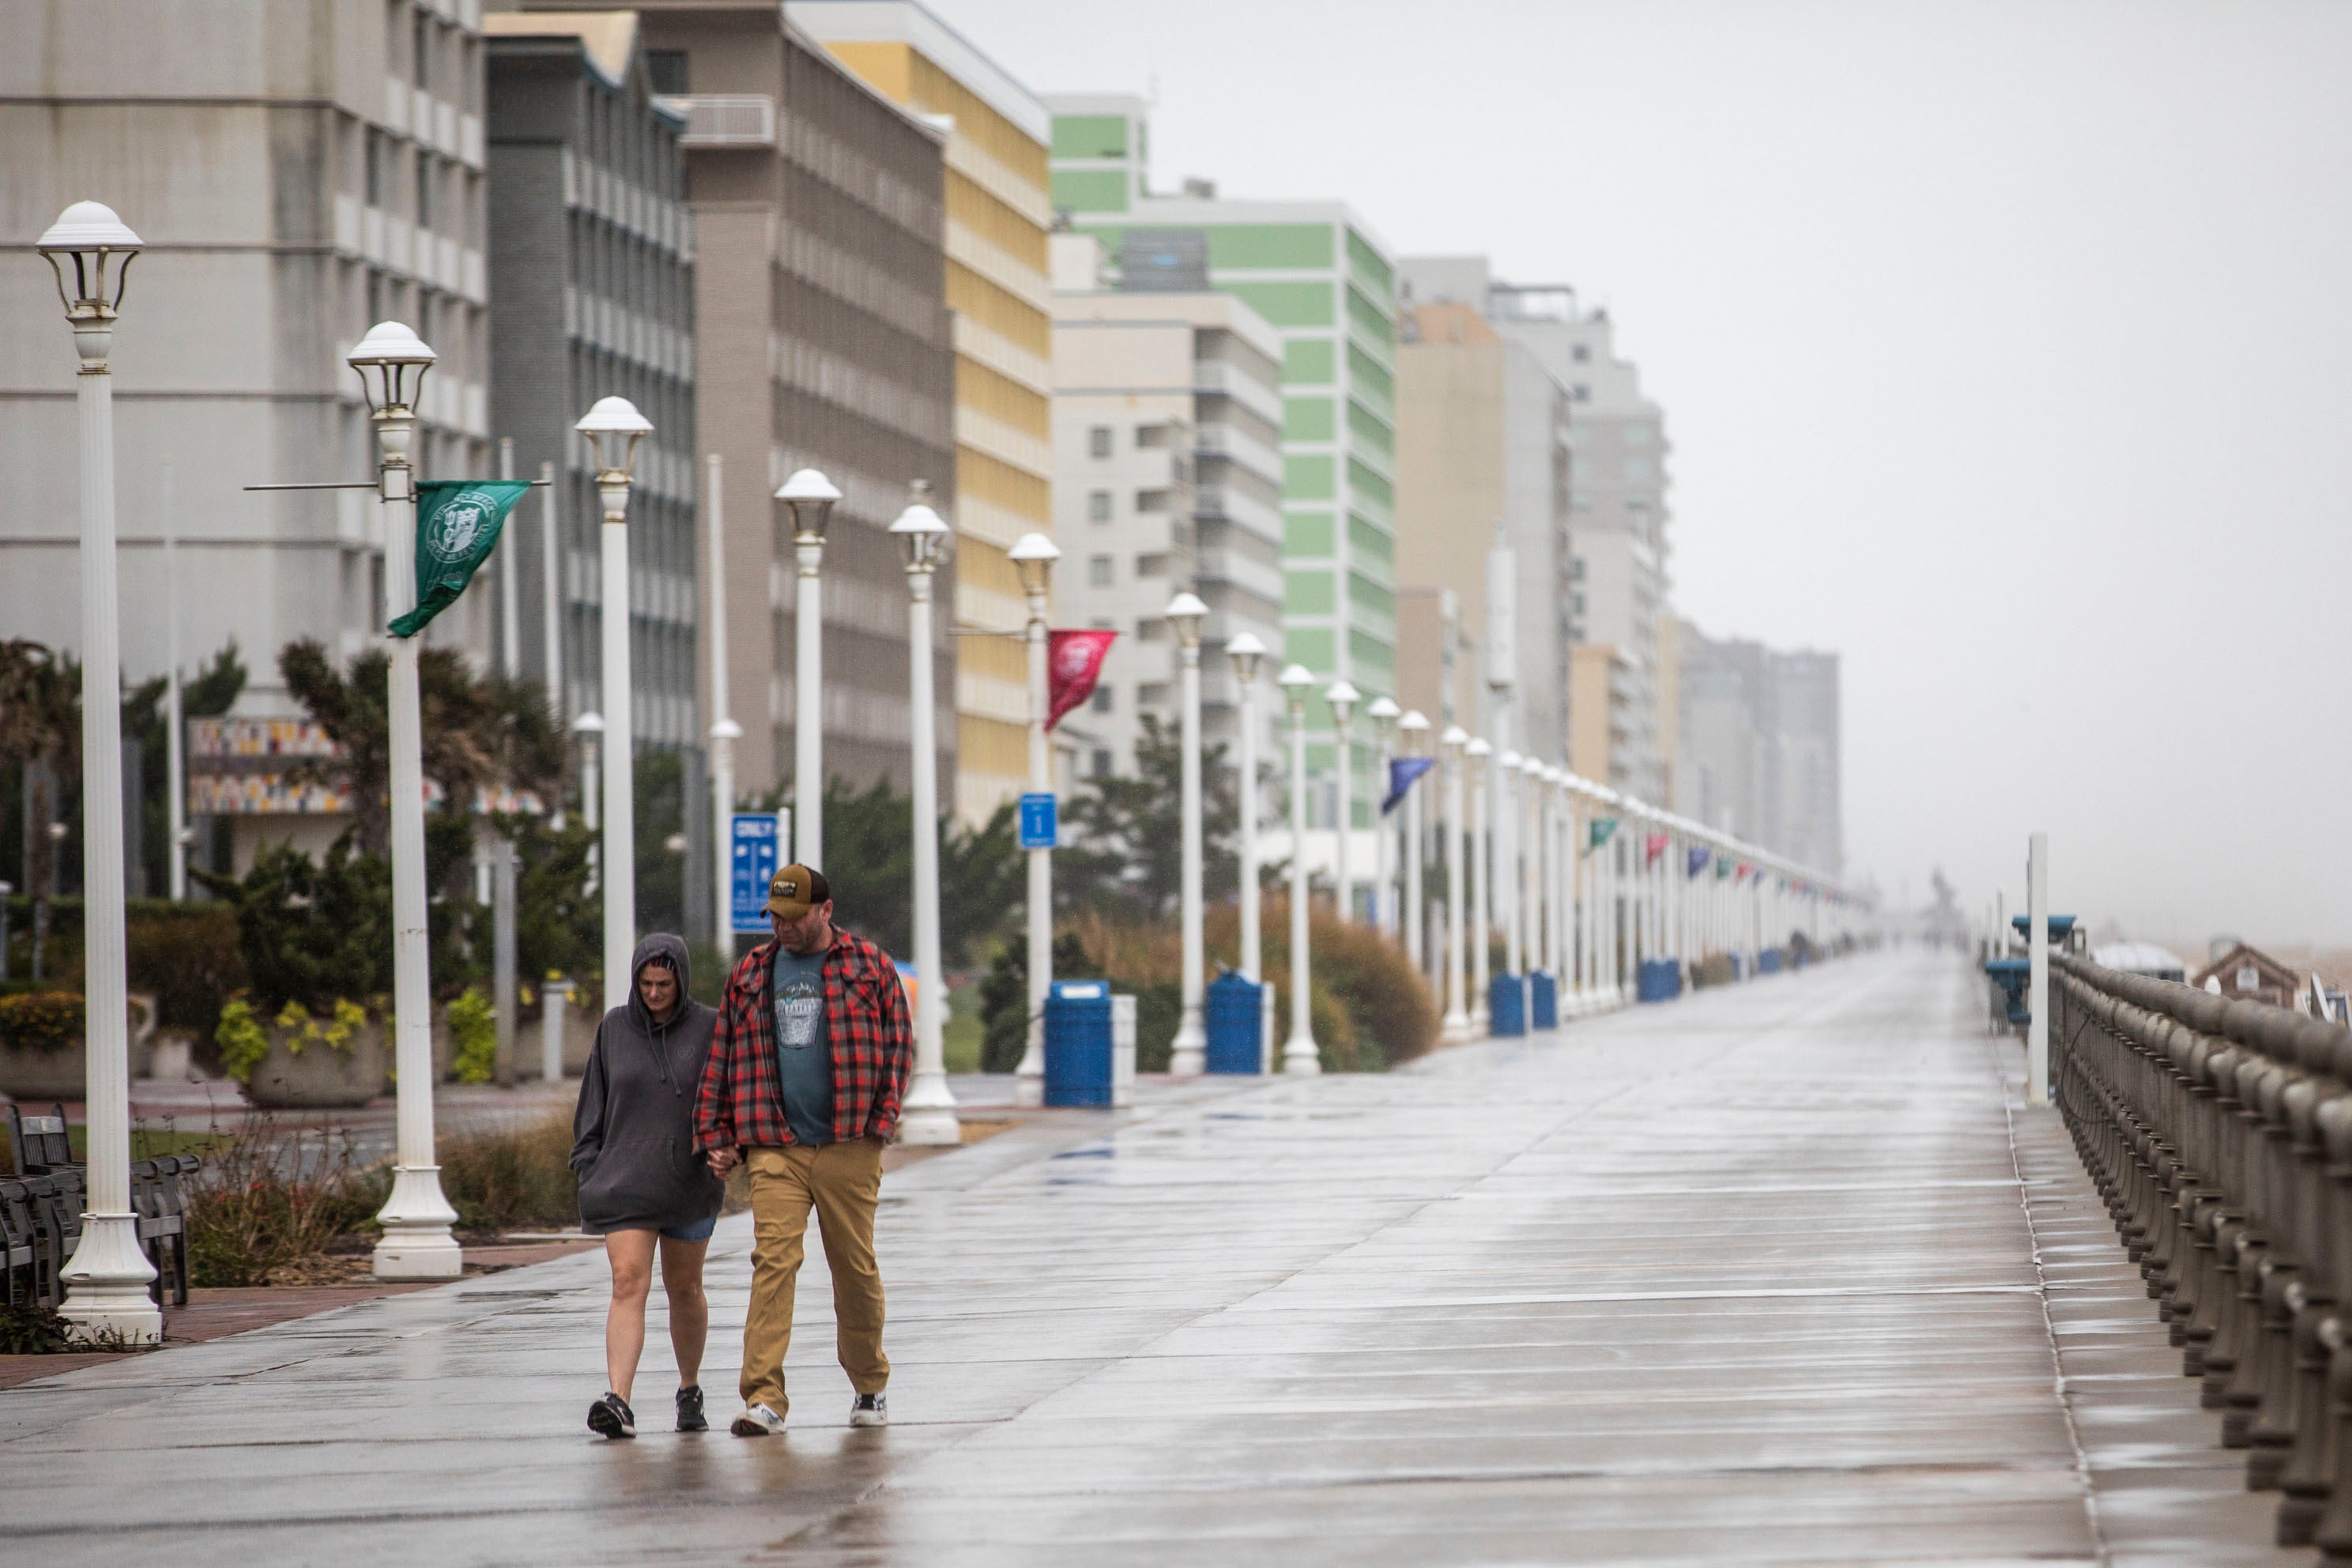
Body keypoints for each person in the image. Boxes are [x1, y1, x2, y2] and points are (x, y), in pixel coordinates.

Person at [695, 864, 911, 1436]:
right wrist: (716, 1134)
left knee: (853, 1266)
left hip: (849, 1143)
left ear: (825, 911)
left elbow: (899, 1046)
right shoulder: (751, 974)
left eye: (794, 917)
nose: (783, 928)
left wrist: (881, 1122)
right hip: (775, 1145)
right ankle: (763, 1398)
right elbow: (723, 1056)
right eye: (775, 917)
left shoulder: (869, 966)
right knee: (773, 1263)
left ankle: (870, 1385)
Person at [571, 933, 725, 1439]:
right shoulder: (614, 1028)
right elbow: (593, 1103)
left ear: (681, 979)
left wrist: (724, 1147)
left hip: (689, 1183)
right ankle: (619, 1400)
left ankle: (689, 1388)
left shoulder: (708, 1027)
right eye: (646, 983)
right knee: (627, 1282)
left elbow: (725, 1096)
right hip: (625, 1183)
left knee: (685, 1288)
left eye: (664, 983)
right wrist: (588, 1167)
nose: (654, 993)